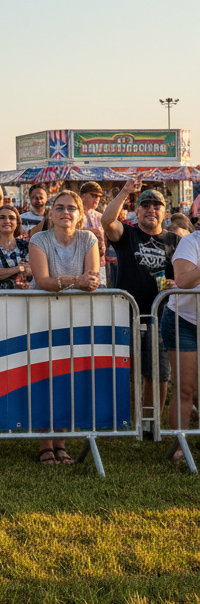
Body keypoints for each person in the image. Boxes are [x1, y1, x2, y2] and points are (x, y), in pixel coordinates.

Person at [28, 189, 100, 464]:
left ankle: (62, 442)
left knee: (68, 378)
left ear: (80, 214)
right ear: (51, 213)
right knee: (43, 378)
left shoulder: (88, 238)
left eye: (71, 208)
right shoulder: (39, 239)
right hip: (41, 318)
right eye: (59, 207)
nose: (65, 212)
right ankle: (45, 444)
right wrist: (76, 281)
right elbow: (43, 280)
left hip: (75, 317)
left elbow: (92, 279)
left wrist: (79, 282)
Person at [102, 181, 178, 430]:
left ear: (165, 212)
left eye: (157, 205)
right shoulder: (128, 234)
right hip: (128, 315)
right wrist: (125, 192)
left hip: (161, 316)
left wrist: (177, 282)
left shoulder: (173, 240)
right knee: (126, 372)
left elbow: (185, 273)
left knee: (157, 373)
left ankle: (150, 423)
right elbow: (107, 222)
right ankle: (125, 421)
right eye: (145, 204)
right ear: (137, 210)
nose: (151, 209)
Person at [167, 230, 200, 459]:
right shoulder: (191, 241)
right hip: (184, 321)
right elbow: (184, 281)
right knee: (186, 387)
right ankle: (181, 445)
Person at [0, 206, 32, 289]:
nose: (7, 221)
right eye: (2, 218)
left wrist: (28, 272)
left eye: (11, 218)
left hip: (19, 297)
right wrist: (18, 269)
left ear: (17, 223)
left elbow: (31, 271)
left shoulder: (25, 246)